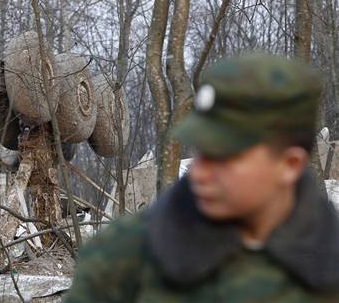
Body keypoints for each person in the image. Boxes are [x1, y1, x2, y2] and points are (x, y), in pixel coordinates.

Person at [64, 53, 339, 302]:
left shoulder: (328, 266)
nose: (201, 172)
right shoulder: (123, 258)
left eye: (225, 157)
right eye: (202, 151)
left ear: (289, 164)